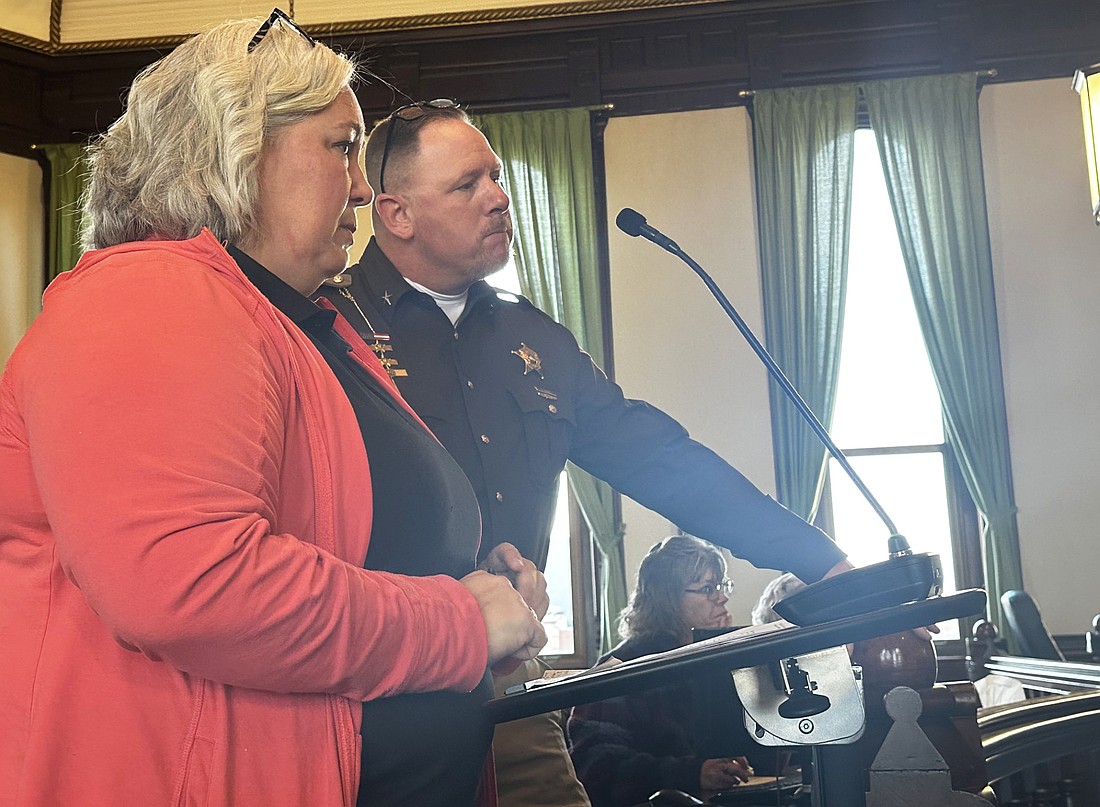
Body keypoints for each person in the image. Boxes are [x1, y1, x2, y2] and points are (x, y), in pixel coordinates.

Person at [0, 13, 546, 807]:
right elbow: (193, 581)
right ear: (235, 148)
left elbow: (334, 547)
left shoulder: (299, 323)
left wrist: (467, 576)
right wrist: (457, 623)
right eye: (343, 145)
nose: (363, 184)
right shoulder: (150, 292)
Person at [315, 100, 853, 804]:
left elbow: (660, 458)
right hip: (375, 683)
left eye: (497, 177)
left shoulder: (531, 337)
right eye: (467, 184)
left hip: (506, 674)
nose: (499, 198)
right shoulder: (326, 328)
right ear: (395, 214)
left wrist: (818, 558)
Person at [567, 536, 757, 806]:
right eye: (707, 588)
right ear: (668, 598)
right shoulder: (624, 668)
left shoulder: (715, 659)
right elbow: (596, 769)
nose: (722, 597)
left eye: (721, 585)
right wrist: (692, 773)